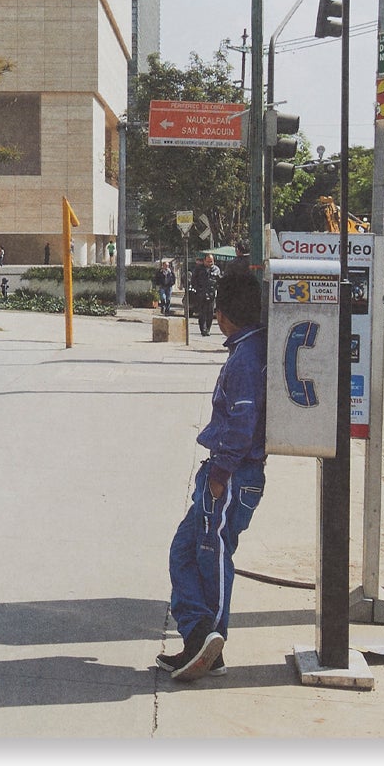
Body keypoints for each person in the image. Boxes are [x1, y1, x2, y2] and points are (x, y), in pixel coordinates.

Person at [158, 269, 267, 682]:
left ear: (223, 315)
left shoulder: (245, 358)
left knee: (212, 554)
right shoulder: (252, 349)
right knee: (185, 551)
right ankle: (198, 636)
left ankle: (210, 637)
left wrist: (221, 472)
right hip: (229, 472)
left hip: (232, 473)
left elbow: (242, 422)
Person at [187, 253, 218, 337]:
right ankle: (203, 330)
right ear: (204, 261)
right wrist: (197, 289)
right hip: (201, 294)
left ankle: (208, 328)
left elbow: (219, 281)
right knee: (202, 313)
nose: (210, 263)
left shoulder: (216, 269)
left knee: (210, 313)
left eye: (211, 261)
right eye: (208, 261)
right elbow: (193, 281)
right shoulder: (198, 269)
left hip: (211, 294)